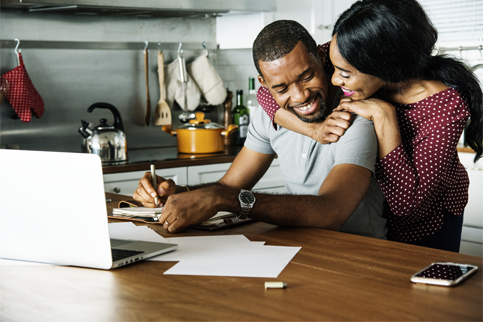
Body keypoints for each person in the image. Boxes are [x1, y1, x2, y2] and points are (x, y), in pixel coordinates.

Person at [257, 0, 483, 252]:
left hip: (428, 224)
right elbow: (265, 93)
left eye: (344, 73)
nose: (333, 77)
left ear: (383, 67)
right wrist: (314, 131)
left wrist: (383, 115)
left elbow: (407, 206)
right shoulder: (347, 52)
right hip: (376, 216)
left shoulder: (444, 107)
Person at [133, 20, 387, 239]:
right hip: (305, 249)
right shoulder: (268, 118)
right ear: (264, 85)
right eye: (281, 88)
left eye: (306, 77)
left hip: (362, 253)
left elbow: (330, 212)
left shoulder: (355, 116)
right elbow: (228, 186)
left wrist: (224, 199)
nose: (300, 96)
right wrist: (178, 193)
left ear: (322, 58)